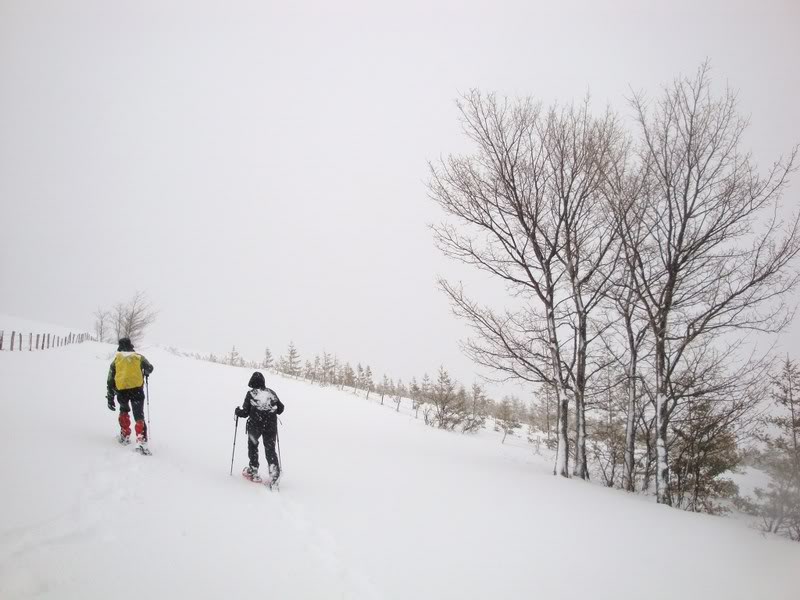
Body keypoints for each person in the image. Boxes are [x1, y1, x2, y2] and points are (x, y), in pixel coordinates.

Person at [235, 371, 284, 485]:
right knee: (270, 450)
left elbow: (245, 412)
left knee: (253, 447)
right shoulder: (271, 393)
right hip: (270, 427)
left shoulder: (251, 393)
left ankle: (253, 470)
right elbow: (281, 409)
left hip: (255, 426)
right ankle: (274, 475)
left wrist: (237, 411)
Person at [106, 337, 154, 452]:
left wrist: (110, 397)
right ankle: (141, 441)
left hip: (122, 391)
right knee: (139, 415)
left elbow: (110, 379)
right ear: (131, 345)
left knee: (124, 411)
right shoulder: (138, 357)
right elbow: (149, 368)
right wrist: (146, 372)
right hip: (137, 390)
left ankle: (125, 435)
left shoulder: (116, 360)